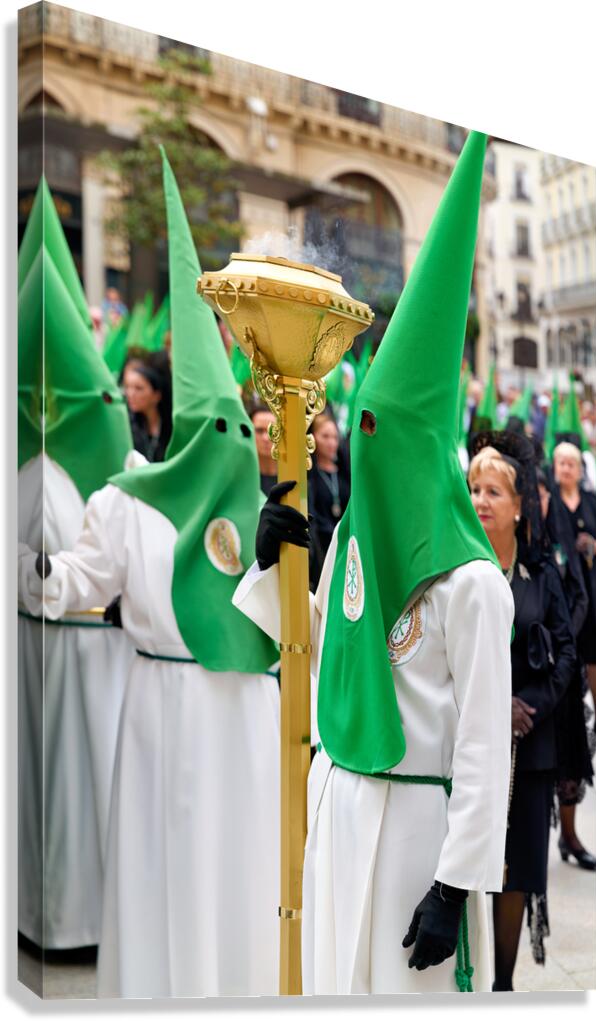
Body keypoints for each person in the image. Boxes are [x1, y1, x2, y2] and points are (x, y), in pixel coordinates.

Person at [235, 131, 514, 994]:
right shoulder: (353, 546)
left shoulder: (474, 583)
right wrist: (270, 562)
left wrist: (455, 881)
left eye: (378, 433)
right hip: (340, 807)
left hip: (416, 839)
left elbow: (483, 745)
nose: (365, 450)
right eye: (359, 430)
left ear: (420, 451)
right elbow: (312, 642)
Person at [19, 149, 280, 998]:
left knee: (233, 877)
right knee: (163, 870)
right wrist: (35, 571)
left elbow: (298, 630)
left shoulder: (264, 510)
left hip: (241, 719)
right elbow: (75, 582)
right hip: (160, 711)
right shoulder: (125, 501)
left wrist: (288, 554)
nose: (228, 447)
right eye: (216, 432)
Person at [17, 178, 135, 950]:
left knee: (86, 788)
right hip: (42, 651)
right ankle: (47, 916)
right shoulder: (32, 473)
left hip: (94, 653)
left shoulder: (119, 472)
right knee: (48, 785)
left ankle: (80, 917)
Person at [469, 433, 577, 990]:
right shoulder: (458, 570)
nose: (480, 500)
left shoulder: (541, 573)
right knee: (472, 864)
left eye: (493, 491)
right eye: (474, 489)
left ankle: (503, 989)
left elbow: (566, 654)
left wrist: (528, 707)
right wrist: (492, 706)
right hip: (469, 744)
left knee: (516, 871)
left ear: (518, 506)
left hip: (528, 748)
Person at [537, 470, 596, 870]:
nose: (539, 501)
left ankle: (570, 837)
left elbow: (579, 593)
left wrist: (564, 639)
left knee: (570, 755)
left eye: (544, 495)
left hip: (565, 659)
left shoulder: (559, 532)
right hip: (531, 665)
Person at [553, 442, 596, 736]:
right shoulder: (549, 500)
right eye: (562, 463)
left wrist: (593, 545)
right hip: (562, 588)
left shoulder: (592, 501)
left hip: (591, 587)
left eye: (572, 463)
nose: (567, 468)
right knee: (567, 649)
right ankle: (569, 718)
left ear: (580, 470)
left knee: (593, 651)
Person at [308, 413, 350, 588]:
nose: (332, 442)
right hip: (322, 548)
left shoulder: (344, 473)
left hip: (345, 546)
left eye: (334, 437)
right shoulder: (310, 476)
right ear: (312, 438)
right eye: (325, 436)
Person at [122, 352, 172, 462]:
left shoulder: (172, 427)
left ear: (156, 395)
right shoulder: (128, 424)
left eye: (138, 388)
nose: (130, 394)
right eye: (127, 387)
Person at [250, 403, 278, 496]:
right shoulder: (239, 480)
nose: (266, 438)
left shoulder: (296, 481)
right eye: (259, 431)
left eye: (272, 432)